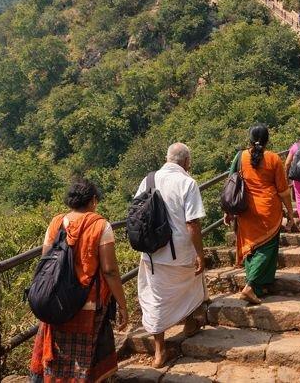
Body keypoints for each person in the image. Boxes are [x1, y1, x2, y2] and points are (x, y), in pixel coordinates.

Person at [30, 177, 128, 383]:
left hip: (57, 300)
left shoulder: (56, 223)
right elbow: (110, 271)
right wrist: (122, 304)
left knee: (60, 357)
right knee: (83, 357)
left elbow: (46, 261)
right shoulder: (100, 226)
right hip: (89, 303)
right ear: (92, 200)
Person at [135, 143, 207, 368]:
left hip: (153, 252)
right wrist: (200, 254)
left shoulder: (148, 180)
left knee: (157, 299)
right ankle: (190, 323)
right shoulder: (188, 182)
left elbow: (137, 212)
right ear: (186, 162)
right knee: (194, 283)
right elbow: (193, 223)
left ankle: (160, 351)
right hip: (180, 252)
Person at [226, 124, 294, 305]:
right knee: (267, 248)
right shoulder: (273, 159)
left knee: (251, 247)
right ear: (267, 140)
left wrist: (228, 211)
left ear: (249, 139)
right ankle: (250, 286)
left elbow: (230, 185)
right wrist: (291, 213)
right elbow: (283, 191)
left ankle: (259, 287)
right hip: (269, 211)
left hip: (246, 211)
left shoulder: (240, 157)